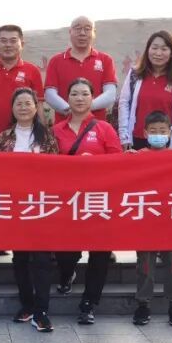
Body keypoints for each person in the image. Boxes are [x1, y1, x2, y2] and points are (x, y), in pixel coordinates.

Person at [51, 78, 122, 323]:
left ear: (93, 98)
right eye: (74, 94)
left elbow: (118, 163)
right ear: (67, 99)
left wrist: (95, 162)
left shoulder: (104, 129)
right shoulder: (56, 130)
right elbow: (47, 164)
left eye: (84, 94)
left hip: (98, 199)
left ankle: (89, 303)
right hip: (67, 200)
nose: (79, 98)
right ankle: (67, 274)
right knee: (66, 253)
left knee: (100, 253)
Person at [0, 88, 59, 332]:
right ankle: (27, 305)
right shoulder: (4, 137)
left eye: (27, 103)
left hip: (41, 204)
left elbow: (56, 169)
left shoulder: (47, 136)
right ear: (12, 108)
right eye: (18, 103)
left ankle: (42, 311)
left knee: (42, 258)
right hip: (14, 204)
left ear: (36, 107)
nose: (23, 107)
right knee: (20, 257)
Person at [131, 111, 172, 327]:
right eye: (153, 131)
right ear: (145, 133)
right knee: (145, 267)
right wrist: (126, 160)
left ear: (170, 133)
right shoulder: (138, 156)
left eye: (162, 131)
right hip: (146, 220)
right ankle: (143, 304)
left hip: (171, 221)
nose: (158, 134)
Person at [118, 30, 172, 151]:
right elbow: (124, 103)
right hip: (138, 138)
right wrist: (124, 136)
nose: (158, 53)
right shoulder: (135, 74)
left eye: (164, 49)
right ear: (148, 50)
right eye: (154, 48)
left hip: (167, 143)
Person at [44, 16, 118, 122]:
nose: (82, 33)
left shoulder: (105, 60)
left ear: (94, 32)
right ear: (70, 31)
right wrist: (70, 110)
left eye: (87, 29)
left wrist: (84, 108)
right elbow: (50, 94)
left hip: (96, 126)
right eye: (77, 28)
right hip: (64, 126)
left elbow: (110, 94)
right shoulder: (56, 61)